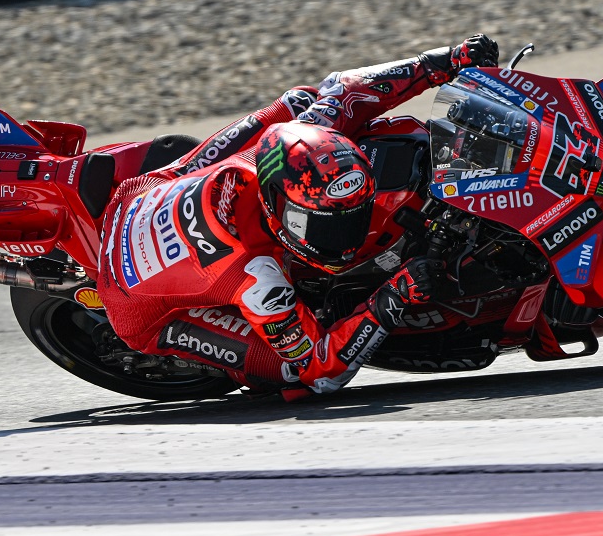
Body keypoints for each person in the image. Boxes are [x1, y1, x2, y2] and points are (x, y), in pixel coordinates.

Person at [96, 34, 499, 398]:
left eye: (353, 217)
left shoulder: (305, 135)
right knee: (289, 372)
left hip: (144, 190)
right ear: (278, 207)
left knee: (299, 102)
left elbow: (347, 88)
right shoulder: (258, 279)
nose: (347, 238)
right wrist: (393, 295)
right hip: (131, 298)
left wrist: (445, 60)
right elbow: (323, 371)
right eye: (326, 226)